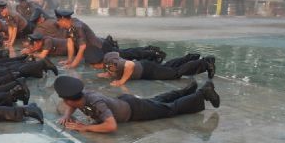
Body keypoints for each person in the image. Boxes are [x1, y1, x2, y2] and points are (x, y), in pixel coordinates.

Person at [53, 76, 220, 133]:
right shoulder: (78, 98)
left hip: (135, 111)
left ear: (69, 98)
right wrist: (67, 115)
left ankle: (202, 93)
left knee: (169, 109)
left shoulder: (95, 102)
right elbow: (73, 105)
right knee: (158, 100)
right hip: (126, 102)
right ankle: (187, 90)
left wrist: (85, 128)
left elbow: (111, 126)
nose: (65, 102)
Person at [84, 48, 215, 86]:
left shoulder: (111, 61)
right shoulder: (108, 58)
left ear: (97, 62)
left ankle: (205, 63)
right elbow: (115, 65)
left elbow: (129, 65)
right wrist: (108, 73)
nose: (93, 67)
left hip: (147, 71)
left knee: (175, 73)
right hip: (145, 66)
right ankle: (190, 58)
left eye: (93, 65)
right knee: (168, 67)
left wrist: (121, 81)